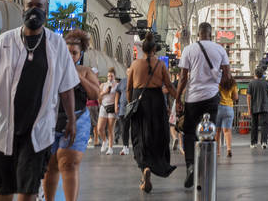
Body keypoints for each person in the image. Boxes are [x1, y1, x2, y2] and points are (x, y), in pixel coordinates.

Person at [0, 0, 79, 201]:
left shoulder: (57, 45)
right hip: (2, 129)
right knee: (4, 190)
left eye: (39, 6)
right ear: (23, 8)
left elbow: (67, 86)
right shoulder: (4, 42)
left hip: (37, 131)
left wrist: (71, 120)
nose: (34, 10)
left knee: (29, 190)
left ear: (46, 10)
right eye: (30, 5)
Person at [43, 28, 102, 201]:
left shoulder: (85, 71)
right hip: (52, 120)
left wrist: (78, 76)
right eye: (67, 52)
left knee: (69, 164)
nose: (70, 56)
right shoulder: (52, 68)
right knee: (50, 165)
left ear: (80, 54)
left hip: (78, 119)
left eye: (74, 53)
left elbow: (95, 94)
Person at [175, 22, 230, 189]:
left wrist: (178, 98)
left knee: (189, 132)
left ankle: (191, 165)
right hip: (212, 97)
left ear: (198, 34)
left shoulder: (188, 49)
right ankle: (206, 167)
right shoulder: (220, 50)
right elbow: (227, 76)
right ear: (211, 34)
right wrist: (216, 81)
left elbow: (183, 78)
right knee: (209, 132)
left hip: (193, 98)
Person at [127, 32, 177, 193]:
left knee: (139, 135)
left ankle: (144, 167)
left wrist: (130, 104)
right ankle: (154, 165)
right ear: (155, 49)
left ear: (143, 49)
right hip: (156, 101)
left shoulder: (135, 65)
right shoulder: (161, 65)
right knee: (157, 135)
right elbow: (169, 86)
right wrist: (180, 100)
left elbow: (128, 88)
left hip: (139, 100)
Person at [215, 71, 238, 157]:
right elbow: (235, 97)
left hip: (218, 108)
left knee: (217, 131)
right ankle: (229, 149)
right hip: (229, 108)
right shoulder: (233, 84)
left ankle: (217, 152)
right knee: (227, 131)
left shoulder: (218, 83)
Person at [97, 68, 120, 155]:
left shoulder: (117, 85)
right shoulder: (103, 85)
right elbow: (98, 97)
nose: (109, 77)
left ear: (114, 76)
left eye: (111, 76)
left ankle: (110, 148)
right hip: (103, 107)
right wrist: (104, 92)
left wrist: (117, 107)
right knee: (100, 128)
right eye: (108, 76)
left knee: (110, 129)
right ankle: (104, 140)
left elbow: (119, 96)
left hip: (112, 108)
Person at [247, 67, 268, 149]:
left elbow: (248, 97)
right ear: (262, 75)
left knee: (254, 125)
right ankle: (264, 142)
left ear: (255, 74)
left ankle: (253, 143)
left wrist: (249, 109)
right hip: (264, 107)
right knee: (264, 125)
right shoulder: (265, 83)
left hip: (254, 107)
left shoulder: (251, 83)